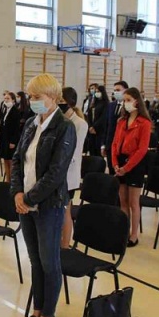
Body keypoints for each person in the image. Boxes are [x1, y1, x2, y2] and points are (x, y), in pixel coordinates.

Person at [11, 74, 76, 317]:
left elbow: (56, 173)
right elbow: (18, 160)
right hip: (26, 202)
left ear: (52, 97)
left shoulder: (64, 127)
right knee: (36, 261)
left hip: (48, 205)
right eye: (30, 96)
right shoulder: (31, 123)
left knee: (50, 263)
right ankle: (36, 312)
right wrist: (18, 193)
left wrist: (29, 198)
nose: (32, 101)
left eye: (36, 97)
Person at [111, 88, 152, 247]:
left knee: (134, 202)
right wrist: (115, 163)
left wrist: (127, 168)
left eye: (128, 100)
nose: (125, 103)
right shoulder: (121, 121)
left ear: (137, 101)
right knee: (123, 200)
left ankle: (134, 234)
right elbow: (115, 143)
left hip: (135, 163)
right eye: (124, 100)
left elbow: (142, 149)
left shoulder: (144, 123)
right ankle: (124, 230)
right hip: (120, 161)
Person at [59, 87, 88, 249]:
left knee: (65, 211)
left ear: (70, 103)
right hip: (56, 173)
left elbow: (73, 153)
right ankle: (56, 241)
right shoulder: (59, 120)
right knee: (56, 211)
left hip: (68, 174)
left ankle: (65, 245)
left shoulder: (80, 124)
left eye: (62, 101)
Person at [102, 81, 129, 174]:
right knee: (111, 170)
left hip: (123, 146)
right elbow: (106, 126)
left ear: (126, 91)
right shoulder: (111, 105)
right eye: (114, 90)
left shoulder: (129, 106)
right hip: (110, 144)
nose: (116, 92)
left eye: (118, 90)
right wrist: (103, 144)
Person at [0, 92, 20, 182]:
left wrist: (13, 142)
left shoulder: (15, 111)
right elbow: (2, 125)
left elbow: (16, 129)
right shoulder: (5, 110)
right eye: (5, 99)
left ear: (13, 100)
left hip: (11, 140)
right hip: (4, 139)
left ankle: (12, 181)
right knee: (5, 160)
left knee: (11, 161)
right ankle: (7, 180)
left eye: (8, 99)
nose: (6, 100)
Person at [86, 85, 108, 156]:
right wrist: (90, 126)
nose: (96, 93)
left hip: (99, 130)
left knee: (98, 150)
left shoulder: (106, 103)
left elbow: (103, 117)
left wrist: (94, 127)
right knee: (92, 149)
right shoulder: (94, 103)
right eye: (95, 92)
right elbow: (89, 115)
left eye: (98, 91)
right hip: (91, 130)